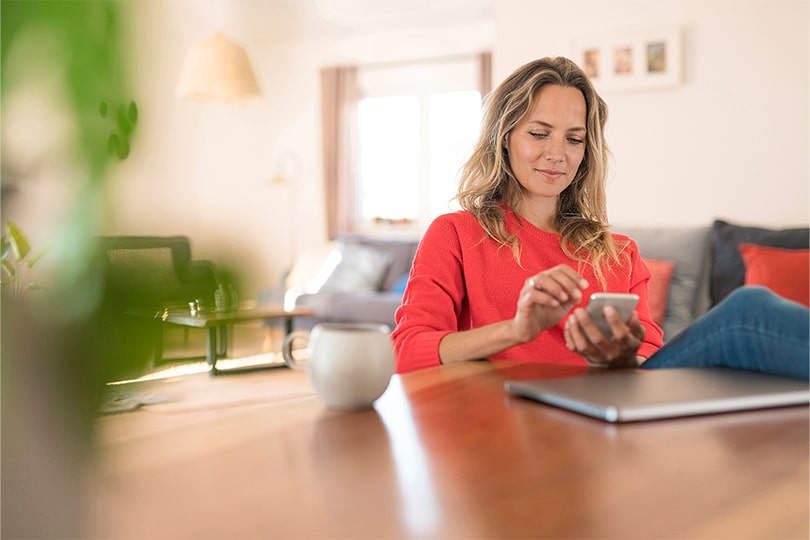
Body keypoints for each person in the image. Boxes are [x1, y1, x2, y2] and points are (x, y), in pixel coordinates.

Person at [391, 56, 809, 381]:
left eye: (574, 139)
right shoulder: (457, 234)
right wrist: (517, 330)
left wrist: (624, 354)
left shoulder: (619, 252)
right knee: (749, 311)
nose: (558, 153)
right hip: (521, 409)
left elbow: (648, 355)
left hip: (615, 398)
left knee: (752, 320)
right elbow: (407, 351)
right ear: (504, 138)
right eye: (539, 133)